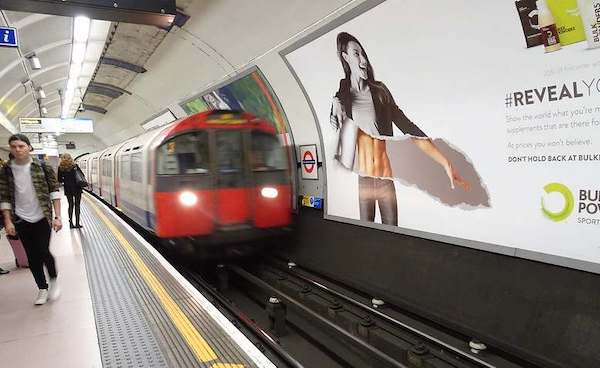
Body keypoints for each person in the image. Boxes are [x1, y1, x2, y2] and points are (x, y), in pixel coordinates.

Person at [330, 32, 469, 226]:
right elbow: (340, 102)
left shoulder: (379, 92)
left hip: (385, 179)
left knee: (392, 237)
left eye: (363, 54)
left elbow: (409, 128)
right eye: (356, 53)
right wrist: (335, 102)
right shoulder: (343, 98)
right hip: (364, 182)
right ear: (345, 57)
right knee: (366, 238)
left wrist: (445, 161)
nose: (363, 59)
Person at [0, 134, 62, 305]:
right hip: (20, 218)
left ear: (29, 148)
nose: (17, 149)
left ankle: (54, 281)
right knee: (31, 256)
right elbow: (4, 197)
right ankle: (42, 288)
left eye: (21, 146)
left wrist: (58, 217)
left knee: (43, 251)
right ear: (10, 149)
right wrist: (8, 221)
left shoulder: (42, 166)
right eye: (13, 146)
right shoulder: (6, 170)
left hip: (42, 217)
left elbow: (54, 192)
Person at [57, 153, 83, 229]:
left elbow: (59, 179)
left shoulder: (61, 168)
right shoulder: (75, 166)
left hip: (68, 188)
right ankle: (77, 223)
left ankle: (71, 223)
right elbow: (81, 175)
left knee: (70, 205)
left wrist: (65, 179)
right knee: (77, 205)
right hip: (77, 188)